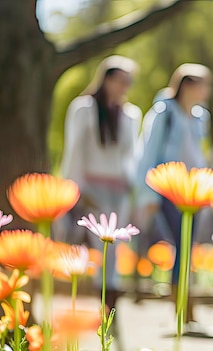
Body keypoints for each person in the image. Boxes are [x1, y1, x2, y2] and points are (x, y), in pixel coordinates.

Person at [135, 63, 212, 335]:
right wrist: (149, 194)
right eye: (203, 85)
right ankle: (181, 308)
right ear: (188, 85)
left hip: (194, 189)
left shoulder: (201, 117)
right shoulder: (164, 113)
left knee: (188, 247)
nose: (207, 91)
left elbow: (200, 153)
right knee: (182, 245)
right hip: (169, 189)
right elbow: (149, 153)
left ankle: (187, 307)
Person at [60, 55, 141, 311]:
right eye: (119, 80)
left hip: (118, 189)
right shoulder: (84, 109)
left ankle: (110, 301)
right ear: (105, 79)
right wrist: (76, 188)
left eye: (127, 82)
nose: (123, 87)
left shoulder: (129, 115)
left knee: (114, 248)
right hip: (91, 186)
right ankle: (100, 298)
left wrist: (133, 189)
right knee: (99, 244)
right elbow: (74, 151)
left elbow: (130, 156)